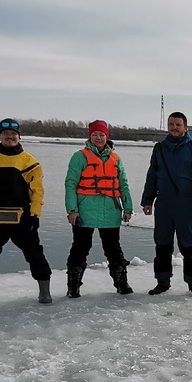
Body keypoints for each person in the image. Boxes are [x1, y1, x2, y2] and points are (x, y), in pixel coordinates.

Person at [0, 118, 53, 304]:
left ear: (19, 136)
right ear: (0, 136)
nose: (10, 137)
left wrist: (35, 215)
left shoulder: (29, 161)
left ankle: (44, 292)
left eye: (14, 134)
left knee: (35, 254)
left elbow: (37, 191)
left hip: (23, 216)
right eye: (6, 134)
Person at [141, 111, 192, 296]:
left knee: (189, 246)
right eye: (171, 124)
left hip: (187, 204)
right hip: (164, 203)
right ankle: (162, 282)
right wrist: (147, 200)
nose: (174, 128)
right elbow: (152, 176)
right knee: (162, 245)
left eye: (178, 125)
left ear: (185, 128)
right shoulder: (160, 149)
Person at [64, 120, 135, 297]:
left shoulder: (116, 159)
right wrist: (72, 209)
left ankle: (121, 284)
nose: (98, 137)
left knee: (113, 249)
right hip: (85, 210)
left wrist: (128, 208)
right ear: (90, 136)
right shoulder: (79, 157)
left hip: (110, 210)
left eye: (101, 134)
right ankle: (73, 287)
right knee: (80, 248)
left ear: (106, 136)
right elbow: (70, 184)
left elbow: (124, 185)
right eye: (95, 134)